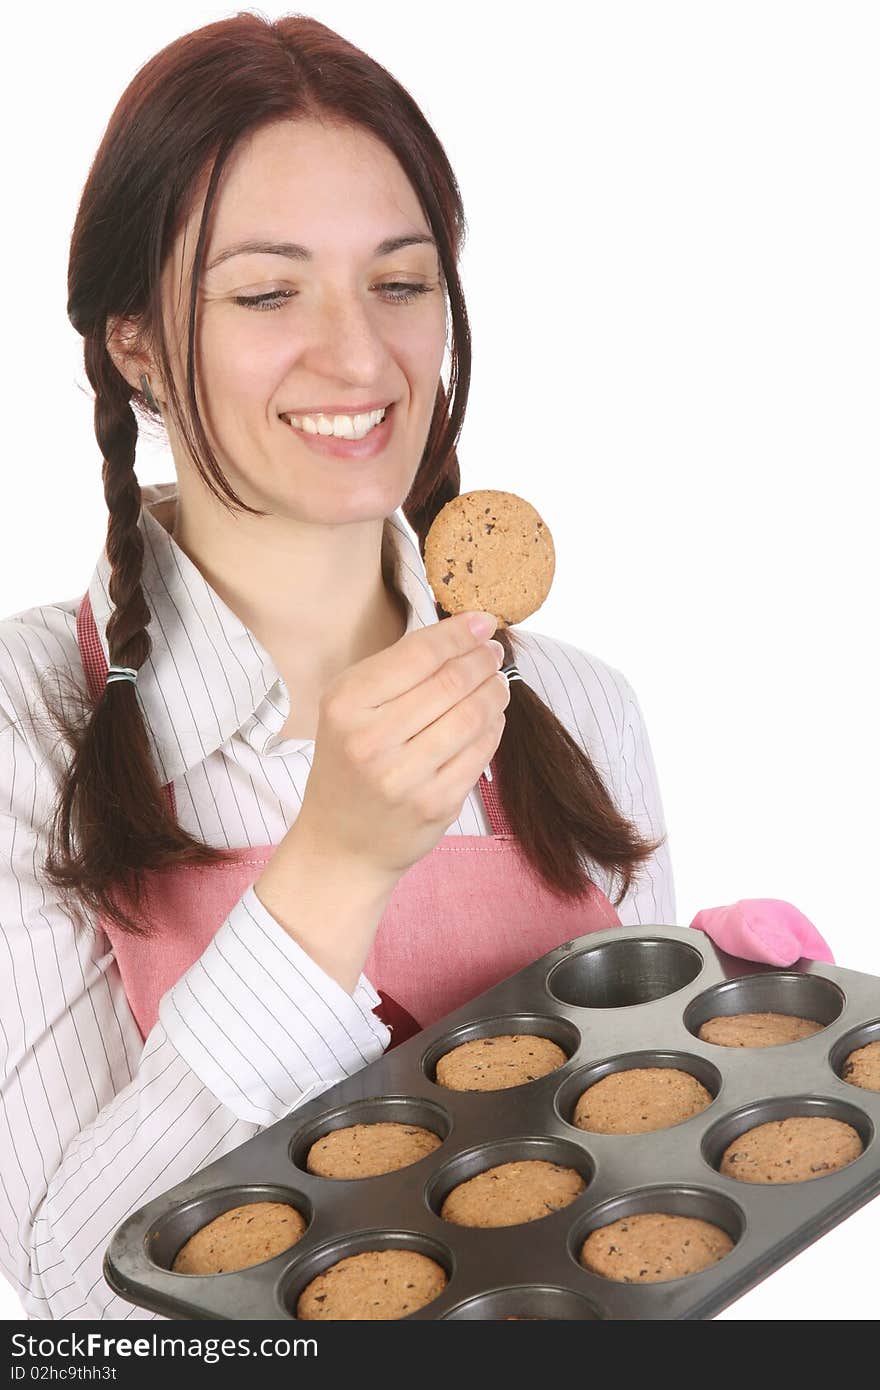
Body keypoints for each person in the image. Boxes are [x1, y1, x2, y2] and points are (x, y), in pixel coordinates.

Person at [0, 14, 832, 1321]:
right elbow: (67, 1304)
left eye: (401, 281)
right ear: (136, 341)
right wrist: (334, 860)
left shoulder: (579, 707)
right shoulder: (24, 723)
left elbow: (631, 1229)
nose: (358, 356)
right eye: (269, 291)